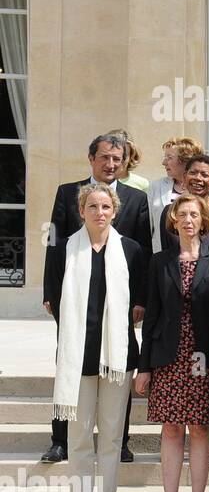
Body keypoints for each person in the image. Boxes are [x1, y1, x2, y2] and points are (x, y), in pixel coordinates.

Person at [42, 133, 149, 465]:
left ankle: (121, 441)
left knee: (119, 365)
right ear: (91, 158)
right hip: (76, 301)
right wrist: (50, 291)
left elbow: (142, 251)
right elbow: (54, 243)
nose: (111, 164)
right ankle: (61, 439)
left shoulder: (135, 198)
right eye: (105, 157)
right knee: (71, 363)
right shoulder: (67, 193)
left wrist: (141, 299)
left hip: (118, 302)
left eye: (118, 158)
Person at [47, 183, 146, 492]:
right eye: (93, 206)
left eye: (105, 206)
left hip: (117, 357)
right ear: (82, 211)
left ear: (114, 211)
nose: (99, 212)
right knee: (78, 435)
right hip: (78, 354)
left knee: (111, 436)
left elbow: (139, 303)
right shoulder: (63, 252)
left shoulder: (132, 251)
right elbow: (54, 301)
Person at [136, 194, 209, 492]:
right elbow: (151, 316)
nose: (188, 220)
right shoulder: (159, 262)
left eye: (194, 214)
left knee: (199, 428)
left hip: (202, 355)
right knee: (170, 429)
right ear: (173, 220)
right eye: (182, 214)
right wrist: (144, 367)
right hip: (167, 355)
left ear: (203, 221)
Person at [159, 155, 209, 252]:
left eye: (204, 175)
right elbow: (166, 252)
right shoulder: (171, 211)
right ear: (185, 177)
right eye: (193, 173)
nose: (198, 178)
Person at [147, 136, 203, 254]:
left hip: (196, 255)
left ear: (185, 161)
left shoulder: (201, 187)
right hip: (163, 257)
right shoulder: (156, 187)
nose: (164, 162)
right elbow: (150, 228)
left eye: (169, 158)